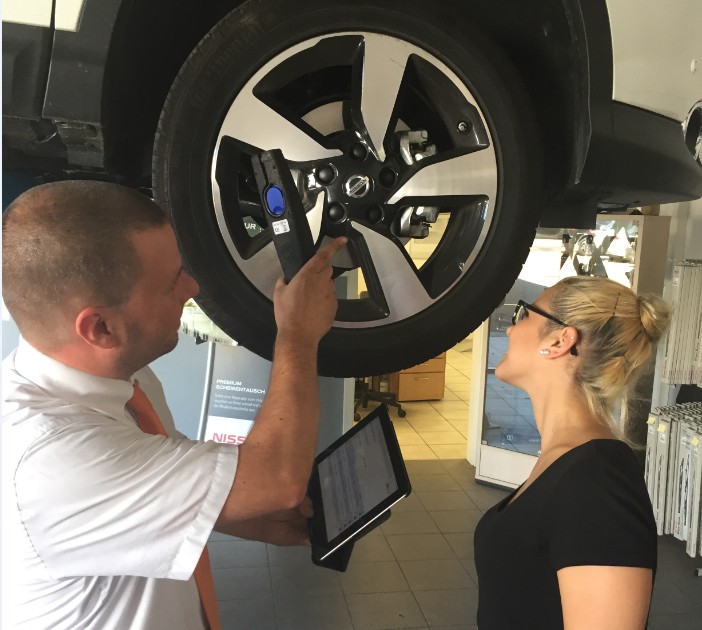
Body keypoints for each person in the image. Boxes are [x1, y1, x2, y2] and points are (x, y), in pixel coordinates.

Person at [1, 180, 347, 630]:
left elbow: (155, 481)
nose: (192, 286)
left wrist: (227, 514)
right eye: (170, 284)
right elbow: (276, 478)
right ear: (101, 328)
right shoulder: (52, 461)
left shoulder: (122, 378)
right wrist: (298, 333)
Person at [474, 276, 671, 630]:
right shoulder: (569, 459)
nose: (511, 329)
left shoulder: (598, 485)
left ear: (560, 340)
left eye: (524, 314)